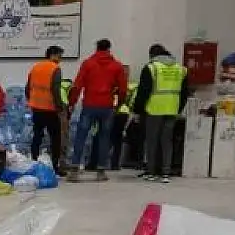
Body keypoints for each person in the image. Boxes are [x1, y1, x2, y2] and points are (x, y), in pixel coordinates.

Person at [67, 39, 128, 181]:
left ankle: (74, 169)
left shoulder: (88, 64)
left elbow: (77, 85)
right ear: (109, 49)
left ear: (97, 48)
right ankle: (101, 171)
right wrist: (119, 104)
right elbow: (123, 89)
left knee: (81, 136)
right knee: (104, 138)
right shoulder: (117, 66)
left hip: (89, 105)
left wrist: (72, 103)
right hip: (107, 106)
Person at [133, 44, 189, 183]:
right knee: (167, 142)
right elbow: (184, 93)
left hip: (154, 109)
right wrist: (178, 108)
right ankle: (165, 173)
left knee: (152, 141)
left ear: (152, 55)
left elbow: (143, 92)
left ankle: (151, 172)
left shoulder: (151, 68)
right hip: (172, 110)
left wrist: (137, 110)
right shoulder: (181, 69)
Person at [27, 46, 66, 173]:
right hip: (50, 109)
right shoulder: (55, 69)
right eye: (59, 55)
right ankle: (55, 166)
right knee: (55, 138)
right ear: (53, 55)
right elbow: (55, 90)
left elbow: (27, 88)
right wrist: (60, 107)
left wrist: (32, 100)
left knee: (37, 136)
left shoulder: (35, 67)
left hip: (36, 108)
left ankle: (33, 162)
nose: (60, 59)